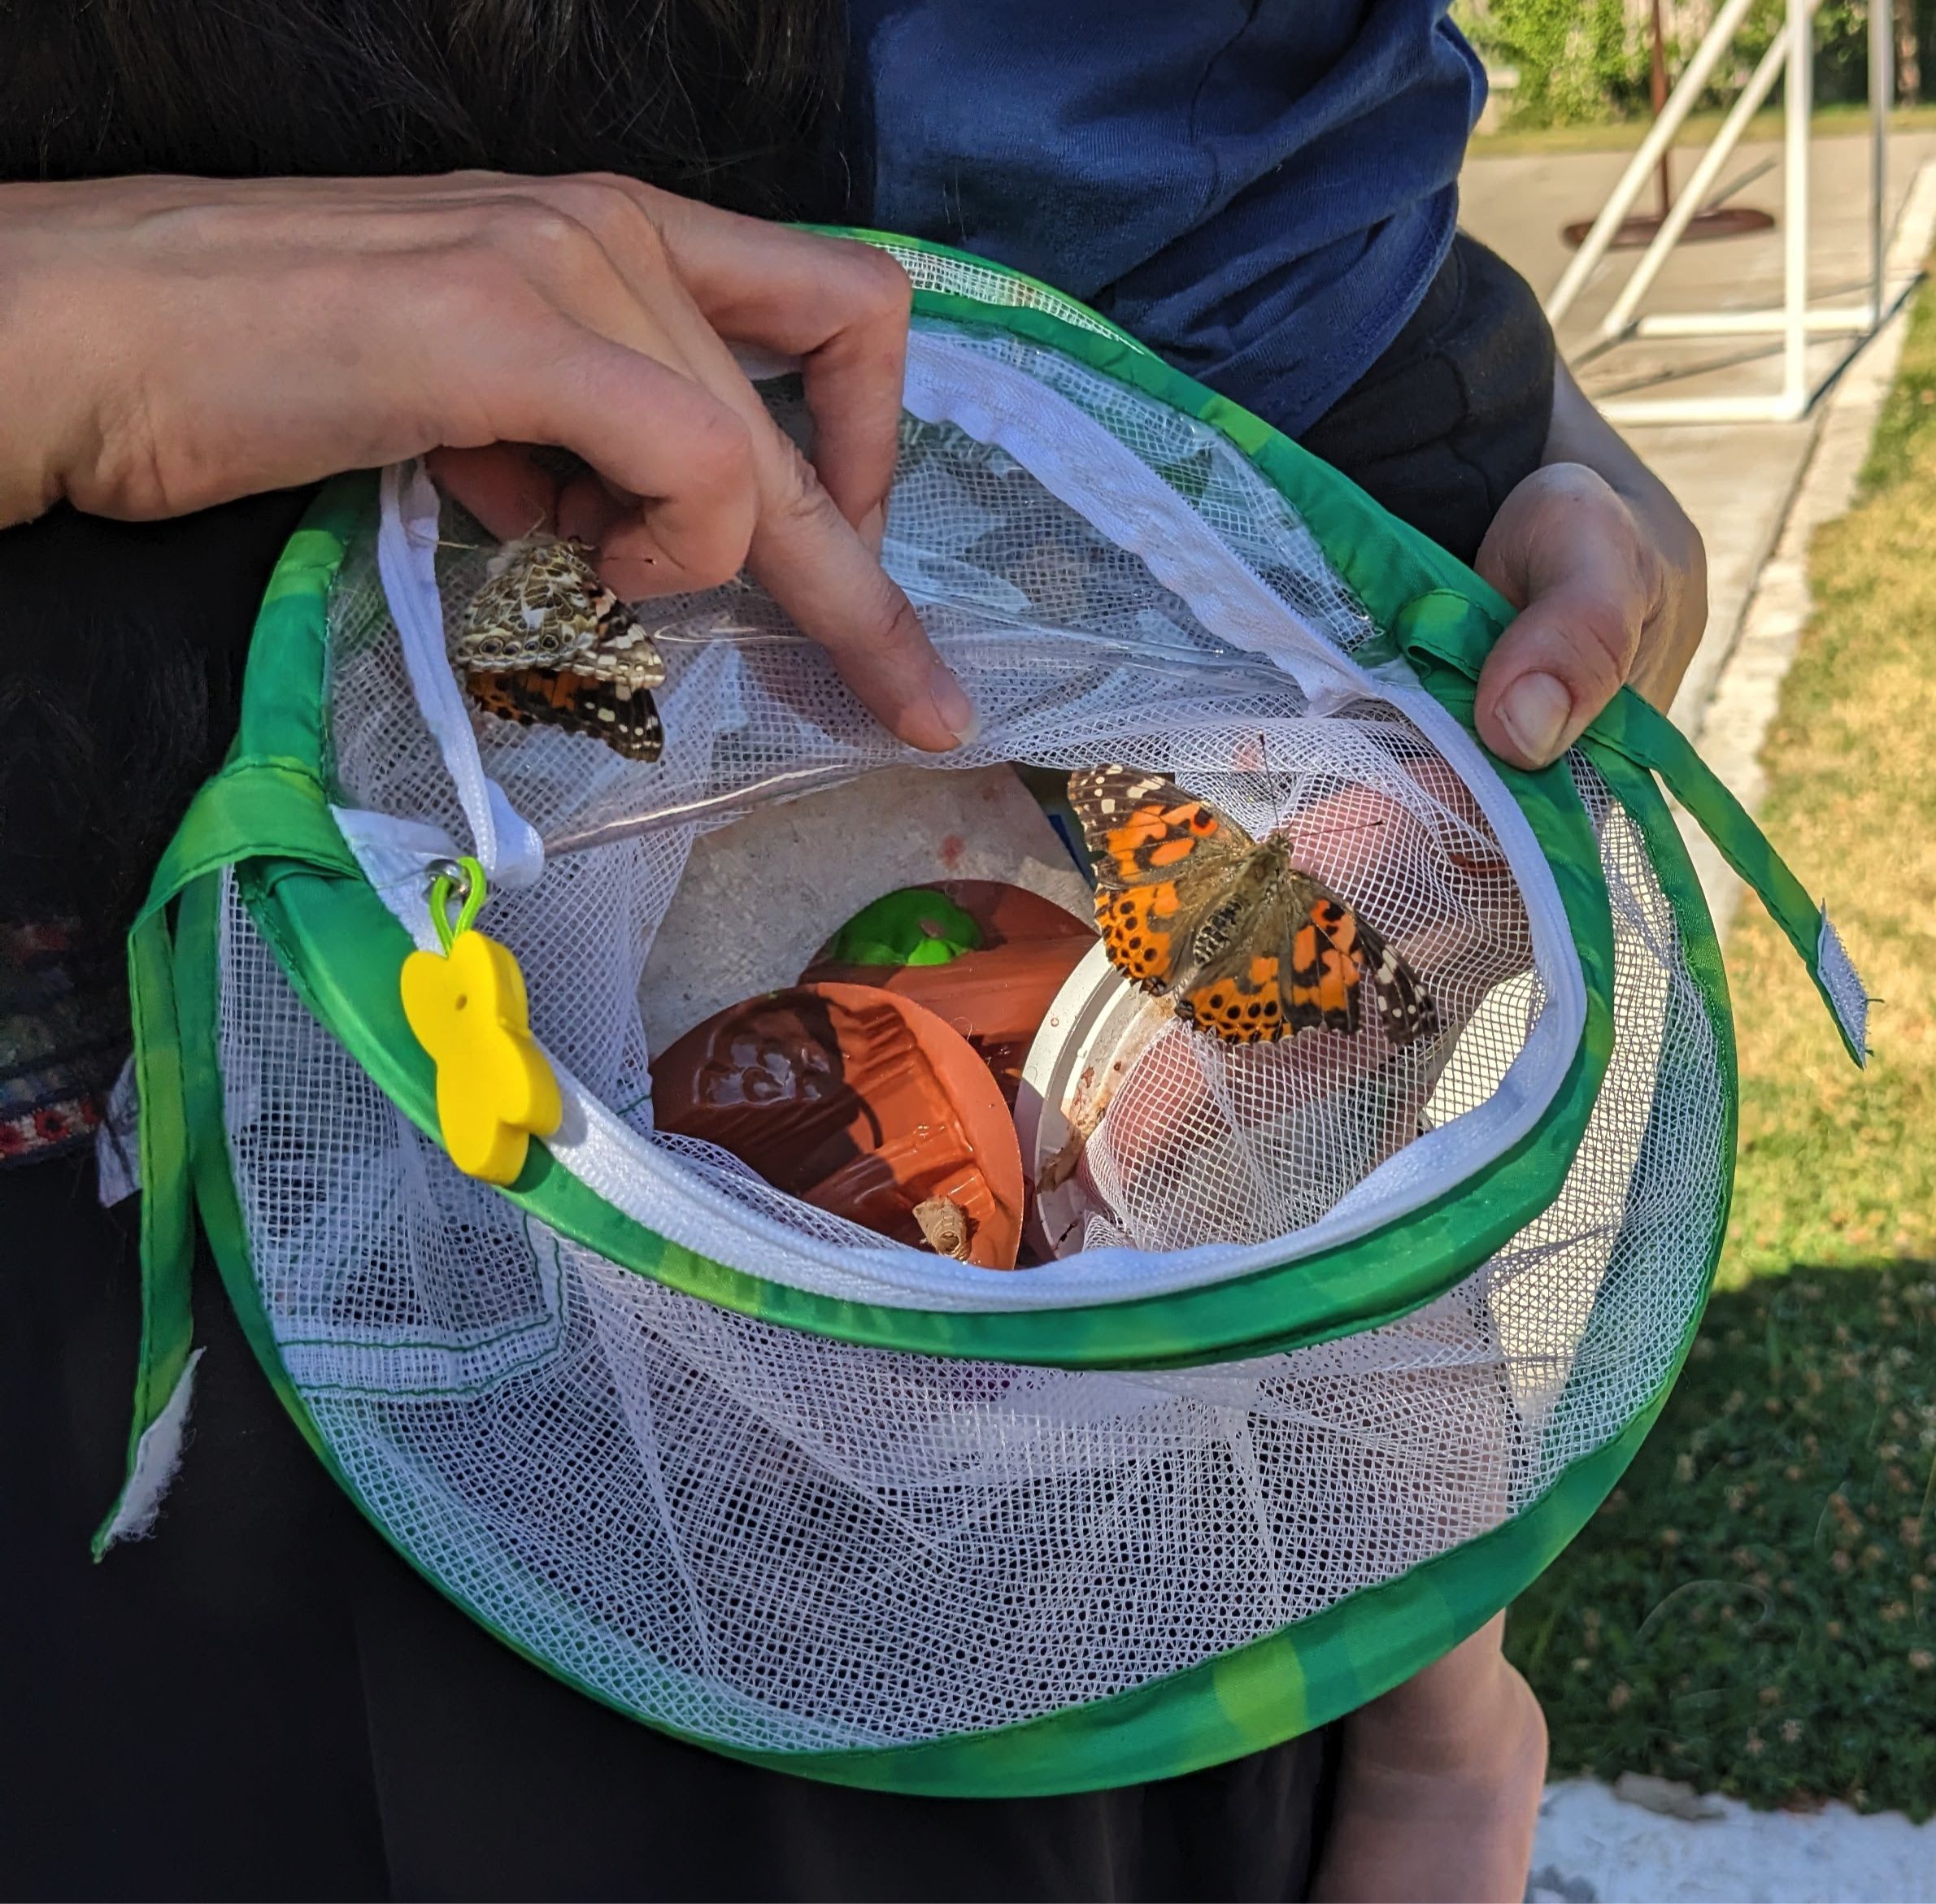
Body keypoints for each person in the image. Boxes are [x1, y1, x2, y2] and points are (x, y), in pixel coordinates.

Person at [0, 3, 1704, 1899]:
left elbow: (1277, 163)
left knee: (1235, 1186)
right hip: (238, 982)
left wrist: (1515, 477)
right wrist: (68, 325)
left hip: (778, 650)